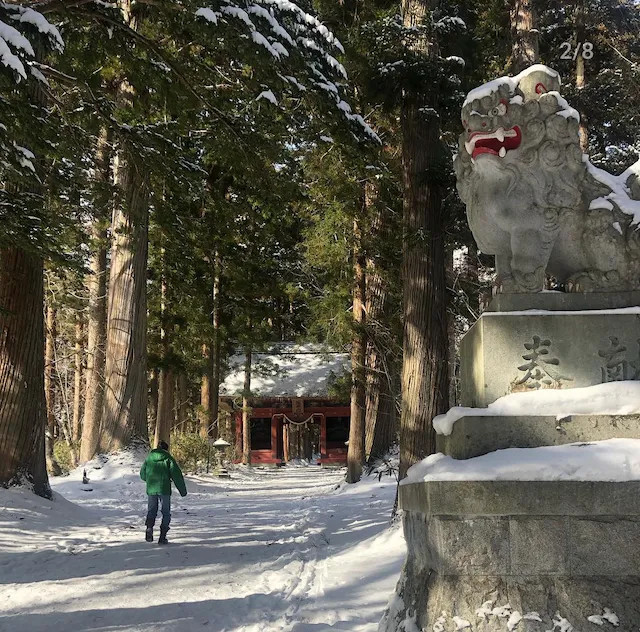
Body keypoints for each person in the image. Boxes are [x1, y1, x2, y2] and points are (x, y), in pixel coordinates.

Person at [140, 440, 187, 544]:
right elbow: (177, 475)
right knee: (165, 512)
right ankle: (162, 536)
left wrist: (150, 480)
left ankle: (149, 528)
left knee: (151, 510)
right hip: (164, 489)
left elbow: (142, 474)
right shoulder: (168, 459)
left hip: (151, 489)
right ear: (166, 449)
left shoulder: (149, 458)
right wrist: (182, 491)